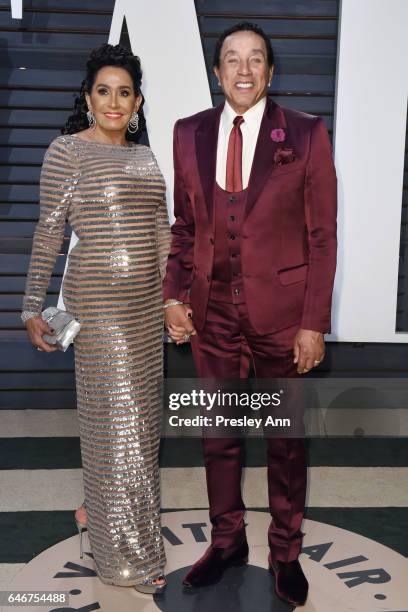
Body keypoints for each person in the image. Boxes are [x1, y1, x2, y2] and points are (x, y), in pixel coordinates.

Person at [163, 22, 337, 606]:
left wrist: (313, 322)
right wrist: (173, 294)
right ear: (217, 72)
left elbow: (322, 237)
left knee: (285, 439)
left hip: (284, 318)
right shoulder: (188, 133)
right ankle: (228, 539)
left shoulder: (307, 134)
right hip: (212, 316)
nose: (243, 70)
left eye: (255, 59)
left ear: (270, 71)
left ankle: (286, 551)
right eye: (232, 59)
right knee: (219, 437)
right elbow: (185, 229)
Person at [21, 43, 171, 594]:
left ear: (137, 102)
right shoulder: (67, 153)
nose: (114, 101)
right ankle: (127, 560)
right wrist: (30, 305)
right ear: (88, 99)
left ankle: (93, 512)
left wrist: (173, 299)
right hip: (99, 313)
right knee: (120, 432)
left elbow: (161, 233)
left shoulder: (146, 156)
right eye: (103, 91)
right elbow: (48, 234)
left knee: (139, 435)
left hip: (145, 315)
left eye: (124, 92)